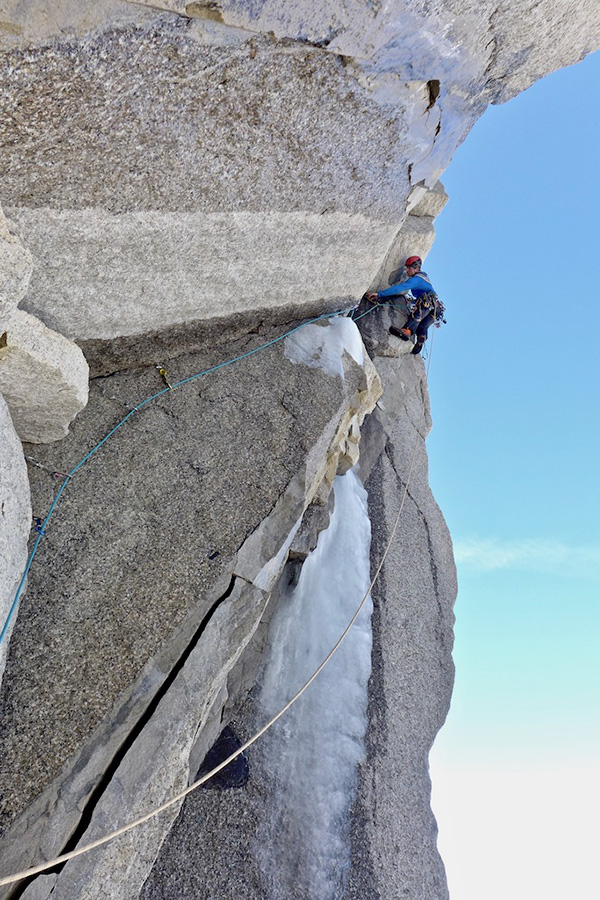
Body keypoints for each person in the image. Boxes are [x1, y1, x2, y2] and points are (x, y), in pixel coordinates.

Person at [365, 256, 444, 355]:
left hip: (427, 303)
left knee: (417, 315)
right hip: (437, 309)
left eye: (408, 268)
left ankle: (407, 330)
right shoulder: (424, 278)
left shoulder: (417, 279)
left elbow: (401, 288)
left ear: (416, 268)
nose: (407, 270)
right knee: (423, 326)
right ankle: (421, 337)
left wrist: (380, 294)